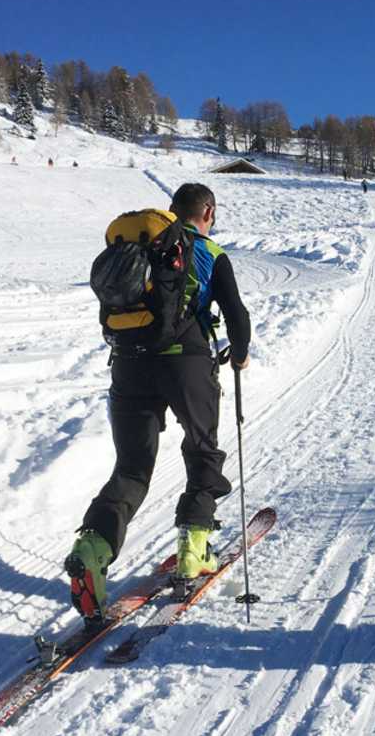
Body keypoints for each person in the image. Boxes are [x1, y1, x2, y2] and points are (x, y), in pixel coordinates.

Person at [67, 183, 252, 623]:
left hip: (129, 364)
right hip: (187, 364)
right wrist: (240, 354)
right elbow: (236, 313)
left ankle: (91, 549)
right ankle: (193, 549)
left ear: (171, 213)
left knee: (131, 468)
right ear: (208, 211)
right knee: (202, 448)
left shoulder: (142, 246)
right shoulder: (208, 250)